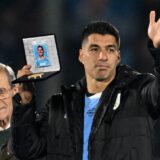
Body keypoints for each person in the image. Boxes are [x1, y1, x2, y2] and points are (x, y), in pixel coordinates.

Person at [12, 10, 160, 160]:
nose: (102, 56)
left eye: (110, 49)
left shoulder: (139, 91)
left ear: (118, 56)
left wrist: (158, 48)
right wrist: (25, 103)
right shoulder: (59, 106)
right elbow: (27, 151)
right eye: (95, 49)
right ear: (81, 56)